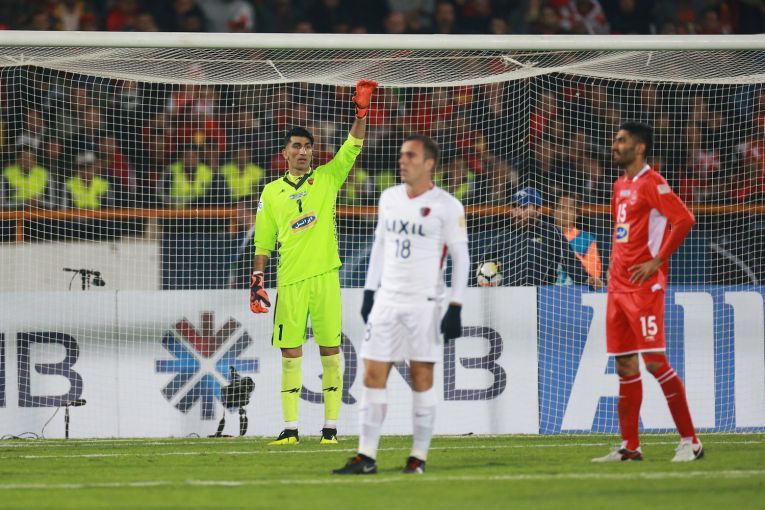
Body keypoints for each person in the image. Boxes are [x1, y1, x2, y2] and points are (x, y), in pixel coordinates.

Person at [250, 79, 378, 445]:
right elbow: (263, 242)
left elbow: (352, 147)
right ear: (285, 152)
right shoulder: (271, 192)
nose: (303, 151)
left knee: (330, 352)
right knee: (290, 353)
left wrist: (361, 113)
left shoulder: (326, 178)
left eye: (307, 146)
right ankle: (290, 429)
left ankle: (330, 429)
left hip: (325, 278)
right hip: (290, 281)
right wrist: (257, 279)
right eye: (297, 146)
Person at [332, 134, 469, 475]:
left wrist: (455, 305)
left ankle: (418, 457)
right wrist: (369, 292)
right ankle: (366, 455)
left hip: (424, 304)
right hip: (387, 301)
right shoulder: (389, 197)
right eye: (402, 155)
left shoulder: (448, 206)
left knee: (421, 378)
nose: (403, 160)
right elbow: (380, 245)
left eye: (410, 155)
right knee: (372, 375)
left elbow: (461, 258)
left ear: (429, 163)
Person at [593, 121, 703, 463]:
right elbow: (622, 230)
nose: (614, 146)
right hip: (618, 286)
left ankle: (691, 441)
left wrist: (657, 261)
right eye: (615, 140)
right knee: (625, 365)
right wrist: (613, 265)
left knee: (655, 362)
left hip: (644, 287)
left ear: (639, 147)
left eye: (621, 140)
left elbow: (684, 220)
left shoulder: (653, 182)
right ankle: (630, 446)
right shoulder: (619, 185)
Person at [489, 186, 603, 289]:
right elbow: (485, 264)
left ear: (538, 211)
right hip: (508, 296)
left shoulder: (551, 233)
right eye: (515, 207)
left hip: (543, 297)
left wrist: (586, 279)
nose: (517, 212)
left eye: (523, 207)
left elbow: (570, 262)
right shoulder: (504, 236)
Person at [554, 191, 603, 285]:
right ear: (554, 211)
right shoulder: (545, 235)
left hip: (577, 290)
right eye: (561, 207)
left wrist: (572, 256)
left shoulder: (587, 239)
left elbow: (594, 274)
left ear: (577, 214)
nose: (565, 212)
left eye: (570, 208)